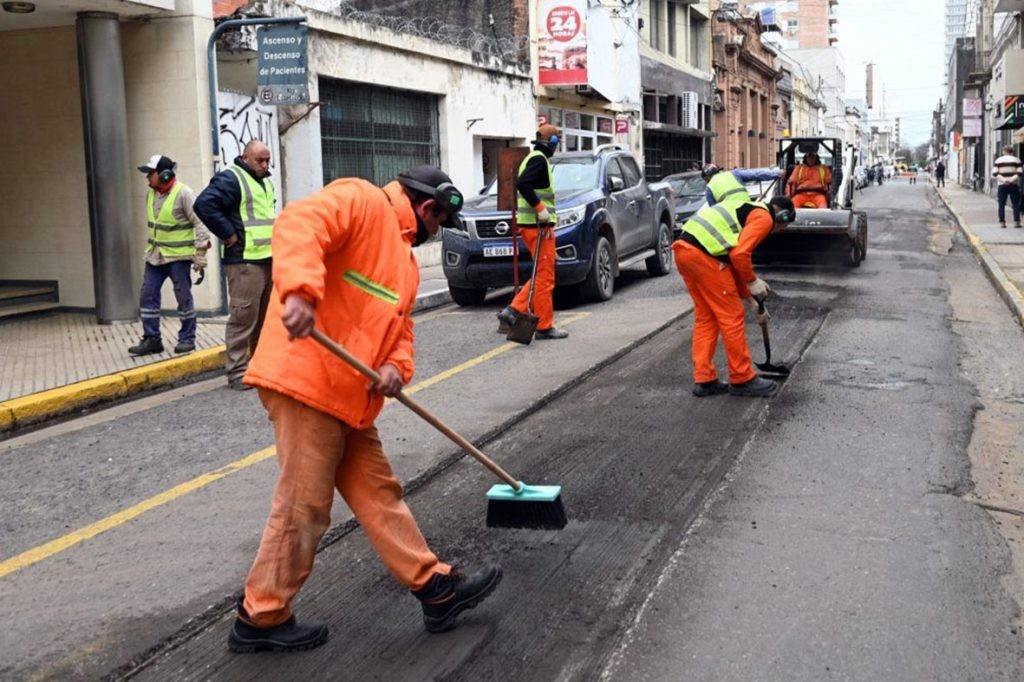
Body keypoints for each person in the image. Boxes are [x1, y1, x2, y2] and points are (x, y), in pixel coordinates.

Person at [228, 165, 500, 653]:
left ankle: (434, 588)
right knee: (303, 507)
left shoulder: (406, 265)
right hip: (306, 383)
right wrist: (300, 293)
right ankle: (260, 616)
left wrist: (397, 366)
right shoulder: (360, 200)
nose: (435, 235)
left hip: (350, 398)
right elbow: (297, 223)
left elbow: (400, 331)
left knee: (380, 493)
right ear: (427, 208)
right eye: (438, 224)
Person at [671, 194, 797, 398]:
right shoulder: (764, 217)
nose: (777, 232)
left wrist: (751, 300)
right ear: (782, 216)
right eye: (782, 227)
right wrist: (753, 281)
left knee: (707, 317)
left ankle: (704, 379)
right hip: (705, 257)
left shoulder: (746, 208)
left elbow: (732, 262)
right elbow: (740, 255)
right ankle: (742, 378)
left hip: (684, 251)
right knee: (732, 316)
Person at [194, 140, 277, 390]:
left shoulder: (264, 181)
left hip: (266, 258)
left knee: (262, 319)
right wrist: (228, 234)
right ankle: (237, 372)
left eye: (267, 160)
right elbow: (203, 204)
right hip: (244, 262)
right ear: (245, 158)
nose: (264, 165)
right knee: (243, 318)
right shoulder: (232, 178)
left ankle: (260, 368)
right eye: (259, 160)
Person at [128, 155, 210, 356]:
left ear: (164, 174)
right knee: (148, 295)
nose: (147, 178)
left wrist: (200, 253)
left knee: (183, 298)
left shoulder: (184, 193)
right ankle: (152, 339)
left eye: (151, 174)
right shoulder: (151, 195)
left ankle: (187, 339)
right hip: (155, 256)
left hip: (178, 257)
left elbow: (201, 222)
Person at [496, 124, 568, 340]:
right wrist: (540, 208)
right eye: (557, 142)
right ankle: (543, 326)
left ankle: (514, 310)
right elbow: (523, 184)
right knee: (545, 277)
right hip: (538, 227)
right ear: (552, 143)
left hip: (534, 227)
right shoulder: (538, 159)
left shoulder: (534, 157)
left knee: (540, 274)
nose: (557, 146)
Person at [701, 163, 783, 206]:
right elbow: (756, 174)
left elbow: (714, 210)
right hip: (746, 208)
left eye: (706, 180)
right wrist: (776, 173)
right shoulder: (734, 173)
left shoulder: (709, 189)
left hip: (729, 215)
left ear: (707, 178)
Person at [992, 145, 1023, 228]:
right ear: (1012, 151)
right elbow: (1019, 172)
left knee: (1001, 204)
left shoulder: (998, 160)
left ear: (1004, 151)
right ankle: (1016, 222)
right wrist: (1011, 180)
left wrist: (1004, 180)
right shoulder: (1017, 160)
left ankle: (1002, 222)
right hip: (1013, 185)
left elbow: (995, 173)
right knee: (1015, 203)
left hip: (1002, 185)